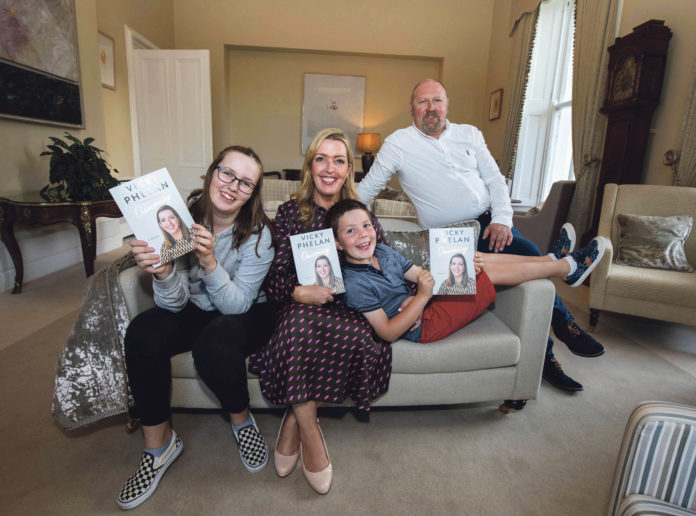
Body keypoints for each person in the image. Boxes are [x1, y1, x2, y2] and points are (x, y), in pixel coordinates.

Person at [357, 78, 604, 392]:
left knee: (528, 258)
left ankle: (556, 336)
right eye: (422, 102)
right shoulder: (398, 143)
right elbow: (366, 190)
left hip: (489, 224)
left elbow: (496, 181)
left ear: (447, 104)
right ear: (412, 108)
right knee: (533, 260)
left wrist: (501, 219)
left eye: (437, 101)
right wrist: (335, 221)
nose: (430, 108)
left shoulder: (469, 134)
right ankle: (562, 273)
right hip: (449, 239)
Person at [117, 146, 275, 510]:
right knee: (142, 332)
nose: (233, 186)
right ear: (211, 172)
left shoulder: (260, 234)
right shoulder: (178, 216)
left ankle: (241, 419)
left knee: (214, 343)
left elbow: (237, 306)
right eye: (227, 173)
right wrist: (165, 272)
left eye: (246, 183)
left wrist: (208, 261)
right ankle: (159, 446)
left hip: (247, 309)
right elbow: (172, 304)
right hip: (195, 305)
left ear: (253, 193)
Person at [248, 128, 392, 495]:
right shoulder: (289, 213)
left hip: (348, 312)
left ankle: (293, 422)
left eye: (339, 160)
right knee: (297, 327)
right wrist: (298, 291)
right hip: (298, 307)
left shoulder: (362, 214)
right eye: (321, 159)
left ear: (349, 170)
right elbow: (271, 279)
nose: (330, 168)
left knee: (357, 335)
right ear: (310, 166)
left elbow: (385, 262)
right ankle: (311, 434)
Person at [327, 199, 606, 346]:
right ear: (338, 243)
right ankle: (564, 267)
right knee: (478, 274)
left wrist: (447, 273)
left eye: (366, 226)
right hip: (424, 326)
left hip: (423, 302)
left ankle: (552, 259)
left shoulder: (384, 252)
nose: (363, 235)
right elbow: (387, 333)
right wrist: (422, 299)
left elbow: (420, 275)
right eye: (351, 231)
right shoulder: (353, 283)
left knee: (475, 259)